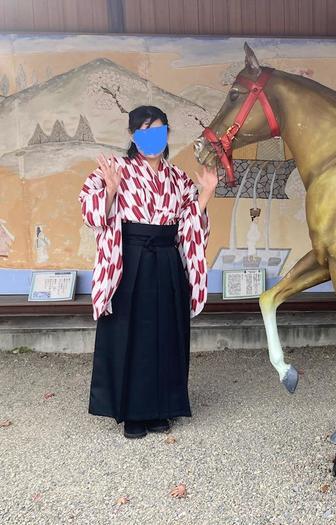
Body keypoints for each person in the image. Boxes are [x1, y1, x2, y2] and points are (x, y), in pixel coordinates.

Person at [79, 105, 218, 439]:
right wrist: (111, 190)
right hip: (131, 259)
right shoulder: (116, 170)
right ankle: (131, 413)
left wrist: (207, 193)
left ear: (167, 133)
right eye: (144, 131)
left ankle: (162, 408)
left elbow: (188, 223)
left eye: (158, 130)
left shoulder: (178, 178)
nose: (152, 137)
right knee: (131, 333)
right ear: (132, 136)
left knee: (167, 333)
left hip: (167, 260)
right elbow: (89, 210)